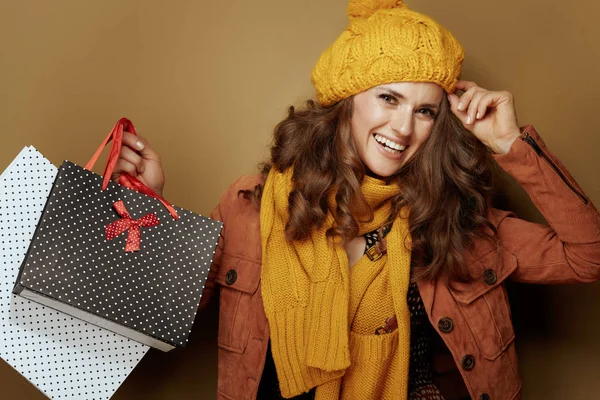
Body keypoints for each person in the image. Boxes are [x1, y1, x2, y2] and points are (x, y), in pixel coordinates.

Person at [112, 0, 600, 399]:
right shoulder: (250, 208)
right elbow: (162, 313)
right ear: (345, 102)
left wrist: (509, 145)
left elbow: (588, 257)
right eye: (388, 98)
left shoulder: (454, 220)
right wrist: (151, 211)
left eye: (425, 111)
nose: (404, 129)